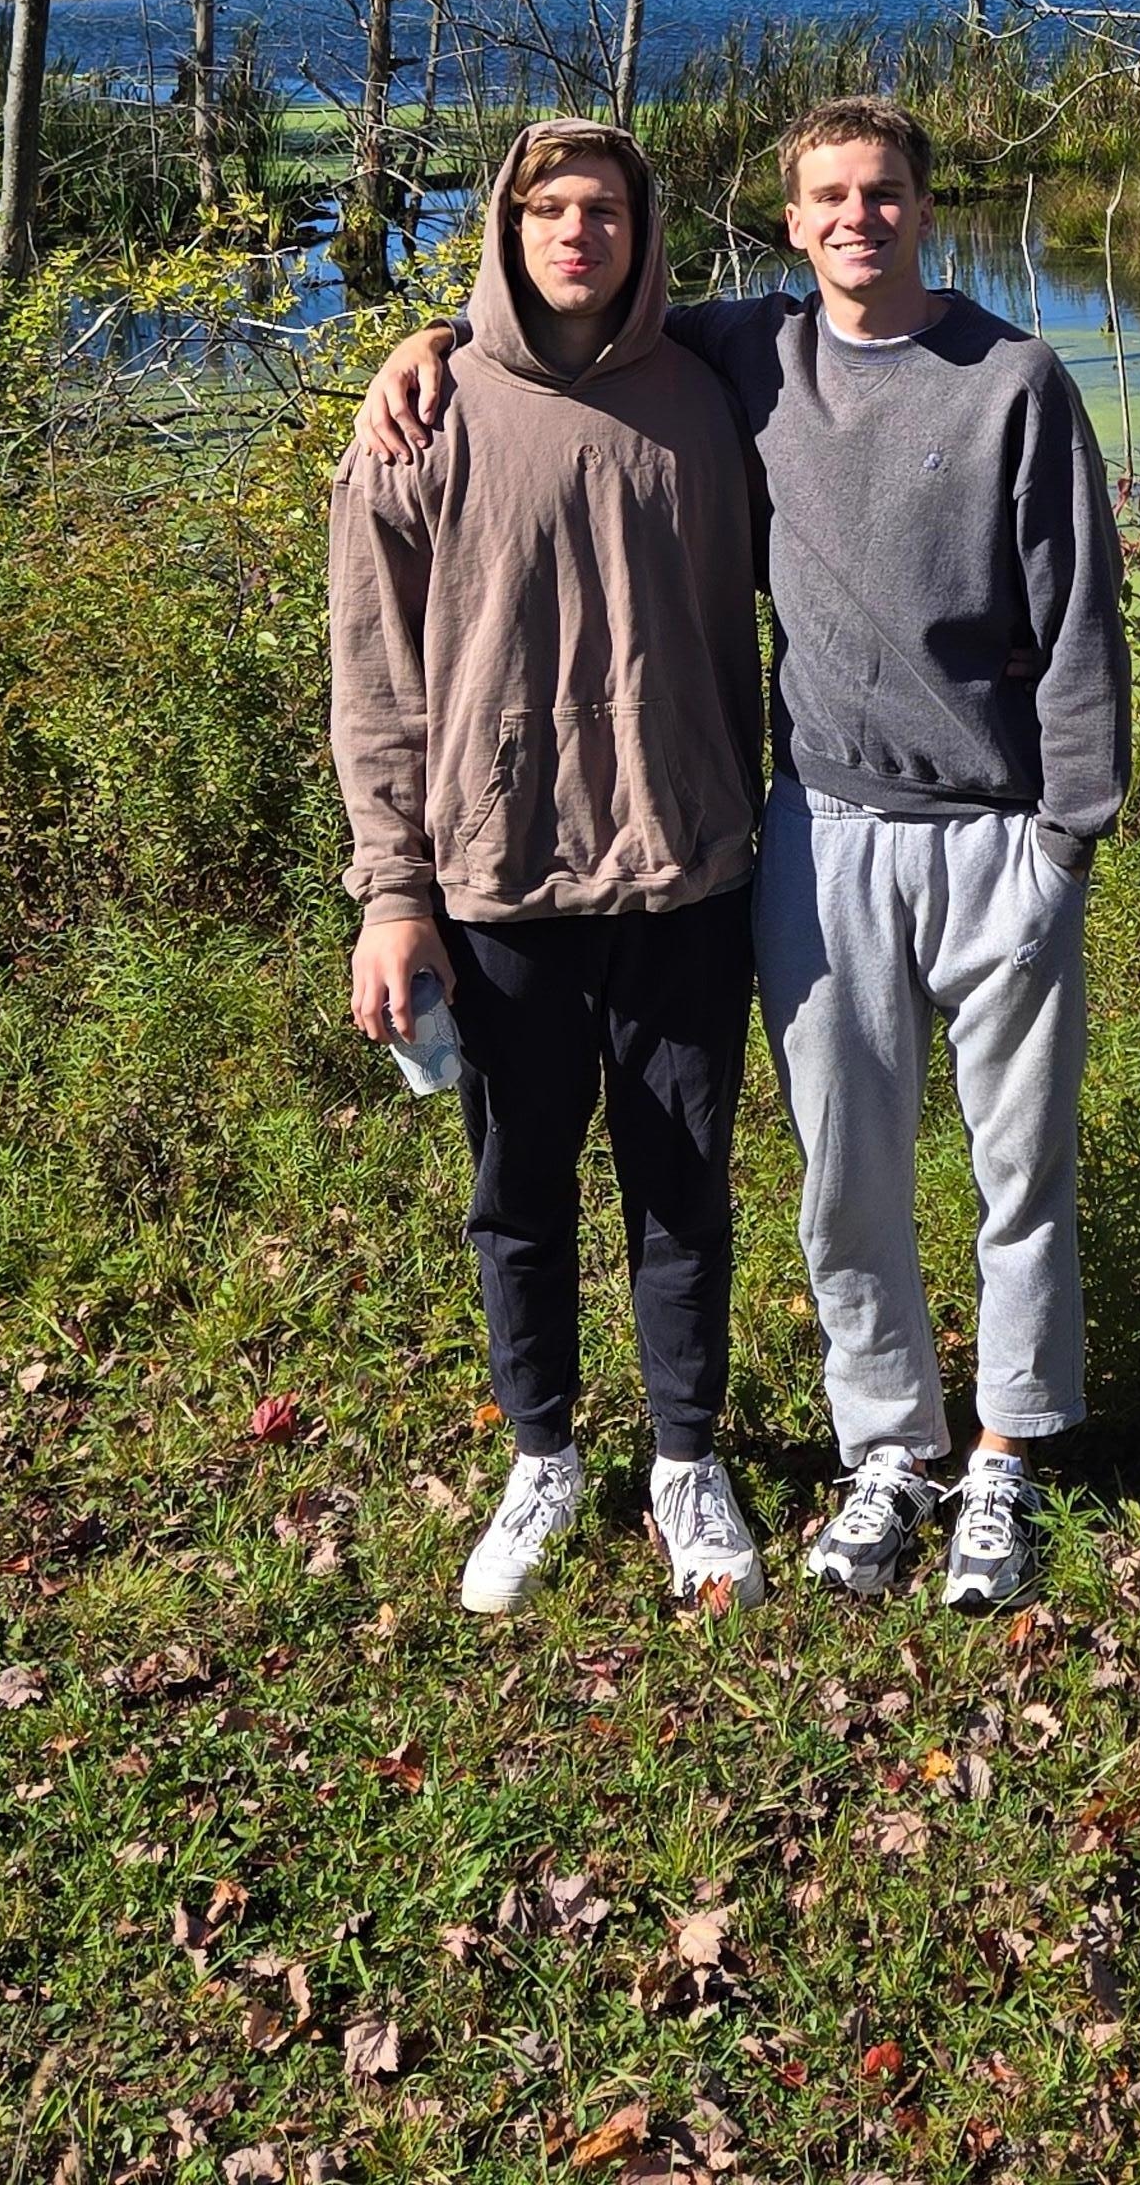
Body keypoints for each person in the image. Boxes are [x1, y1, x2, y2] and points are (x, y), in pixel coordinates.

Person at [354, 92, 1129, 1617]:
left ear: (923, 203)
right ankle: (874, 1454)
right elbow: (559, 331)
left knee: (994, 1171)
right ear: (791, 225)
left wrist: (1067, 839)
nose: (859, 216)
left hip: (918, 845)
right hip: (787, 839)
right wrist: (432, 337)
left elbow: (1083, 617)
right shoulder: (715, 361)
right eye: (829, 194)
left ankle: (997, 1458)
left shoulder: (975, 380)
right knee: (829, 1174)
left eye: (886, 191)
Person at [332, 118, 769, 1620]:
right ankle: (543, 1454)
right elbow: (375, 678)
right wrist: (393, 895)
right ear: (508, 228)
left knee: (683, 1182)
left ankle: (685, 1458)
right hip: (498, 877)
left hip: (690, 866)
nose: (577, 233)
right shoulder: (422, 420)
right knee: (519, 1184)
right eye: (548, 210)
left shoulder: (713, 397)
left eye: (605, 211)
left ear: (646, 236)